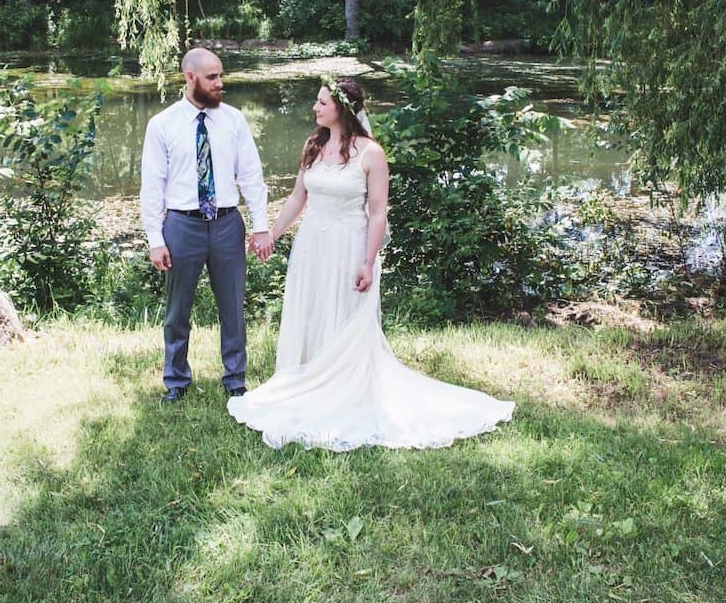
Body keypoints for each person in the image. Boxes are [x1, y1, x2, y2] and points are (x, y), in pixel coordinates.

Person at [227, 77, 515, 450]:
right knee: (312, 312)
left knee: (345, 318)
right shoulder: (313, 146)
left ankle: (342, 389)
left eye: (322, 103)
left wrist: (368, 260)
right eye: (316, 102)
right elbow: (299, 198)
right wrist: (272, 235)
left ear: (342, 109)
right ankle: (306, 377)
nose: (315, 108)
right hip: (312, 246)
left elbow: (377, 214)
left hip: (350, 246)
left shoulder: (371, 154)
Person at [141, 48, 273, 403]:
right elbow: (152, 186)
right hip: (182, 226)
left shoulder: (233, 120)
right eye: (212, 77)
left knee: (232, 305)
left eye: (220, 76)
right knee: (177, 310)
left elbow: (251, 176)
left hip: (228, 224)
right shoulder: (162, 125)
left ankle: (235, 380)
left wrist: (261, 227)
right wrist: (156, 238)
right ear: (190, 78)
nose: (220, 83)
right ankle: (176, 381)